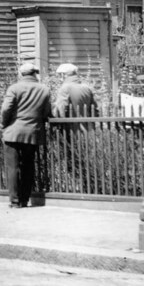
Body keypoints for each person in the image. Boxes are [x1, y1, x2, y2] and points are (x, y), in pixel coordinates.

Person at [0, 62, 51, 208]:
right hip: (32, 132)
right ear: (35, 73)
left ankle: (15, 201)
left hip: (13, 133)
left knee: (13, 167)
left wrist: (3, 125)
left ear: (21, 74)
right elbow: (46, 111)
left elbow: (6, 109)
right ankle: (24, 199)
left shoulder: (14, 88)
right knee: (28, 167)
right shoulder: (44, 89)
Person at [52, 63, 97, 193]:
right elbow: (96, 109)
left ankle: (76, 185)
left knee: (72, 158)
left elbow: (60, 110)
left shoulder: (65, 88)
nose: (59, 78)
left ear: (64, 75)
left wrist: (54, 120)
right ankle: (88, 185)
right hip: (88, 129)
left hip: (71, 130)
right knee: (87, 157)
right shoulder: (86, 88)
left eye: (60, 75)